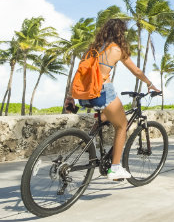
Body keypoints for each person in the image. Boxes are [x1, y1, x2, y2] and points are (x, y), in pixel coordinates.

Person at [65, 19, 160, 181]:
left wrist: (70, 96)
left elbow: (79, 72)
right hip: (102, 92)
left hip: (85, 95)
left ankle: (90, 138)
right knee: (122, 125)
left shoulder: (92, 49)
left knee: (108, 115)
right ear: (120, 33)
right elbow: (136, 71)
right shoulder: (117, 50)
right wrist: (150, 84)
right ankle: (115, 168)